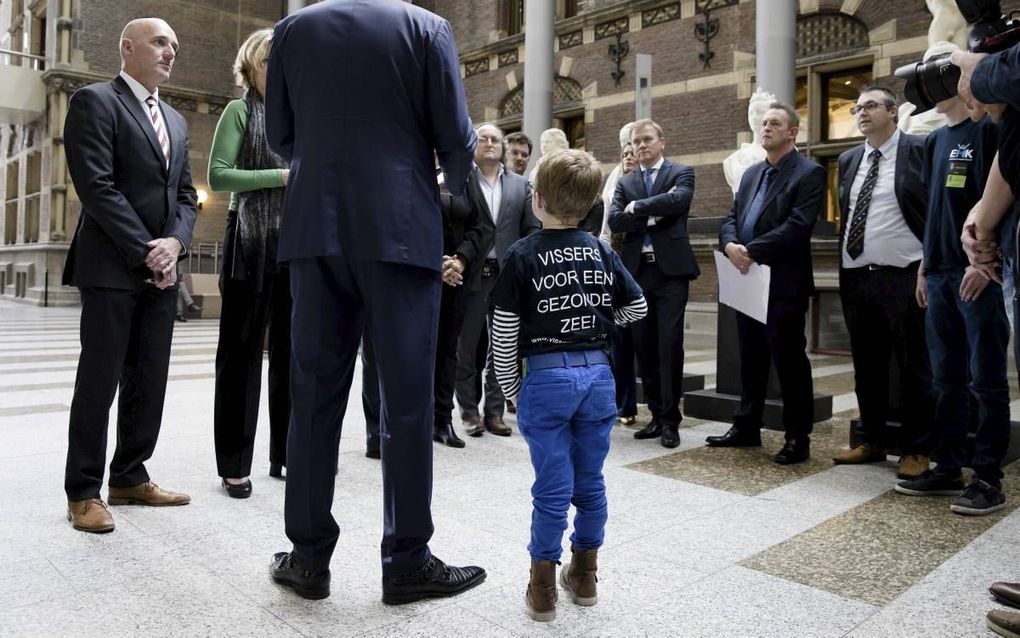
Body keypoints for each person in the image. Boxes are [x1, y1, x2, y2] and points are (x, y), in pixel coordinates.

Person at [264, 0, 484, 602]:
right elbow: (456, 138)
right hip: (401, 227)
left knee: (312, 396)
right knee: (408, 400)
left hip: (315, 225)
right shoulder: (425, 27)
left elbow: (279, 135)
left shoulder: (291, 29)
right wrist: (436, 182)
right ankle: (407, 559)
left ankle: (308, 560)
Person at [489, 149, 646, 622]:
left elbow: (504, 330)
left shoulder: (521, 254)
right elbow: (636, 308)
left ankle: (542, 589)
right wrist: (600, 325)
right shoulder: (601, 251)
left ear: (536, 200)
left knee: (552, 486)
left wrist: (511, 389)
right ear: (594, 202)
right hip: (598, 377)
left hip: (545, 377)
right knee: (591, 481)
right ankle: (584, 574)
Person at [62, 18, 197, 533]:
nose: (171, 52)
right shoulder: (95, 101)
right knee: (99, 382)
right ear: (128, 47)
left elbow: (186, 196)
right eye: (161, 41)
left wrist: (177, 244)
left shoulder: (177, 121)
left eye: (175, 45)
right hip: (111, 268)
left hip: (160, 272)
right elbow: (96, 187)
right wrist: (148, 251)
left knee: (148, 378)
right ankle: (83, 492)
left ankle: (129, 475)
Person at [894, 92, 1008, 515]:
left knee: (986, 379)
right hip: (939, 272)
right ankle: (948, 467)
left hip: (979, 274)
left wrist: (984, 262)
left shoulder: (991, 130)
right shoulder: (936, 141)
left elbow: (1004, 196)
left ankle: (988, 478)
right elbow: (936, 211)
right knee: (945, 380)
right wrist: (925, 265)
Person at [710, 103, 825, 465]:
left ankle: (797, 437)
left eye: (775, 123)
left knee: (789, 360)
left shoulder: (809, 173)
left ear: (793, 132)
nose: (766, 128)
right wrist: (730, 245)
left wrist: (750, 250)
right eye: (764, 123)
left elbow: (798, 225)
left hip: (784, 282)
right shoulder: (750, 174)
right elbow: (732, 216)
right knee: (751, 358)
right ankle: (746, 427)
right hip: (747, 279)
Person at [952, 42, 1020, 638]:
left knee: (985, 379)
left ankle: (986, 475)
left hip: (989, 265)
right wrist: (987, 219)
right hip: (999, 249)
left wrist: (984, 69)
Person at [831, 86, 934, 479]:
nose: (861, 112)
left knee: (913, 366)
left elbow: (933, 207)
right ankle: (871, 440)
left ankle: (917, 447)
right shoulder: (849, 158)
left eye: (871, 105)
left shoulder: (919, 150)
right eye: (857, 107)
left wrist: (932, 261)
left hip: (905, 275)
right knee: (867, 365)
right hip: (857, 277)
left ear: (893, 111)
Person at [207, 29, 291, 498]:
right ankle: (235, 463)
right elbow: (217, 175)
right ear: (251, 68)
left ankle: (285, 455)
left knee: (292, 353)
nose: (276, 72)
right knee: (240, 356)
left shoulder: (300, 119)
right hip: (249, 240)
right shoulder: (239, 111)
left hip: (296, 241)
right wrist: (280, 175)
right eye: (268, 63)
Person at [607, 118, 699, 449]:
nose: (641, 146)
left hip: (671, 272)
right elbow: (615, 219)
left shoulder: (681, 173)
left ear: (662, 142)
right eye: (636, 142)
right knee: (643, 347)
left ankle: (672, 420)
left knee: (669, 344)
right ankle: (656, 417)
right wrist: (654, 212)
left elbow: (680, 201)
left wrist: (639, 208)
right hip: (636, 272)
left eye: (647, 139)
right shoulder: (625, 180)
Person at [454, 123, 539, 437]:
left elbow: (531, 228)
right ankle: (467, 411)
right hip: (472, 273)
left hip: (507, 275)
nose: (489, 143)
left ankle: (494, 413)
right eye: (482, 138)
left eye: (495, 139)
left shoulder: (520, 185)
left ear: (502, 146)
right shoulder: (460, 180)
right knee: (467, 345)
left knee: (503, 347)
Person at [609, 143, 639, 426]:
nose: (629, 156)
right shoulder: (616, 188)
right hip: (617, 266)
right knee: (621, 340)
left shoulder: (648, 187)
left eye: (633, 152)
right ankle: (624, 404)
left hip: (647, 269)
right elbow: (610, 225)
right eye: (625, 154)